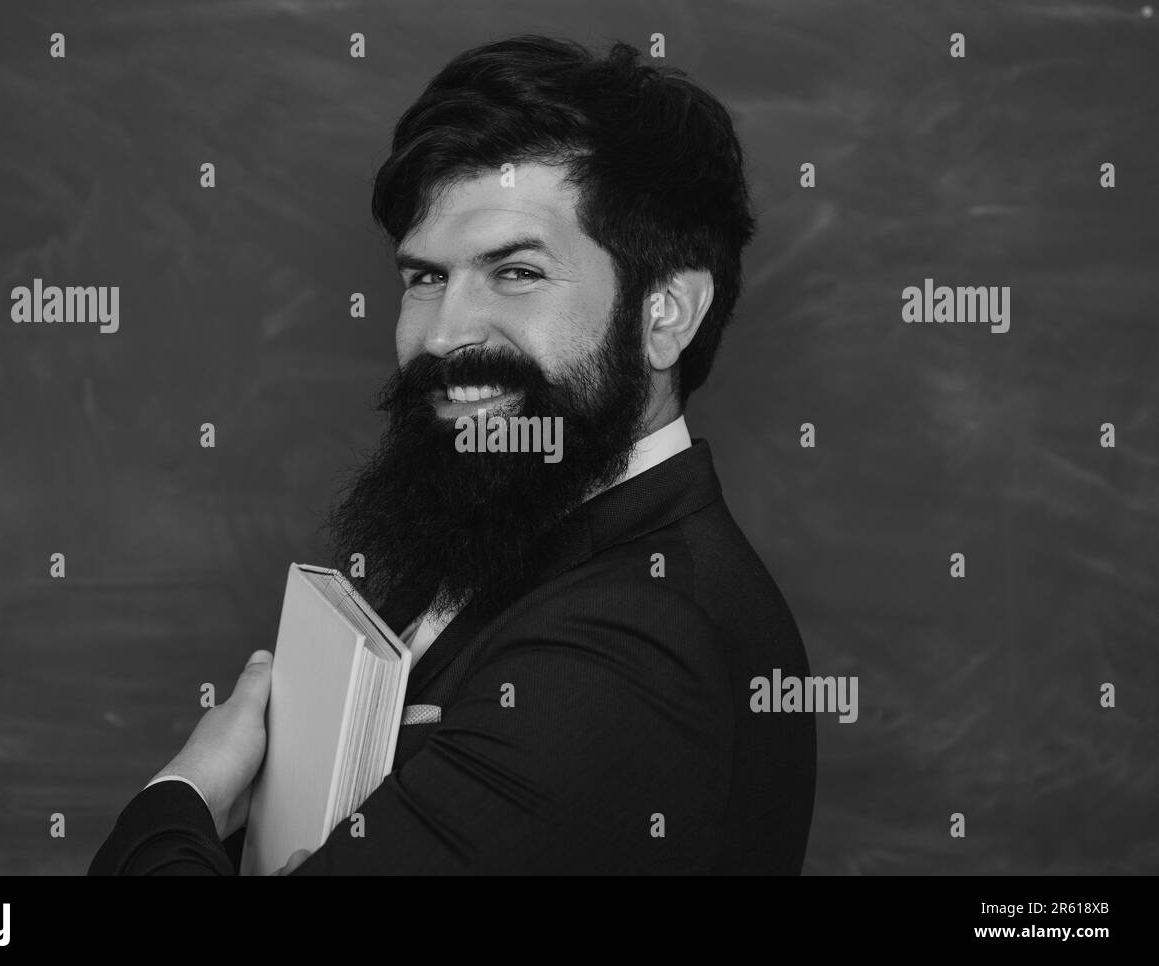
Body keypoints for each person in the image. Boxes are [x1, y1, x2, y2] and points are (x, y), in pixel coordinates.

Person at [89, 33, 815, 875]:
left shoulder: (633, 653)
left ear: (666, 315)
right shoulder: (501, 525)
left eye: (516, 273)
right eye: (425, 278)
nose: (440, 336)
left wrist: (181, 797)